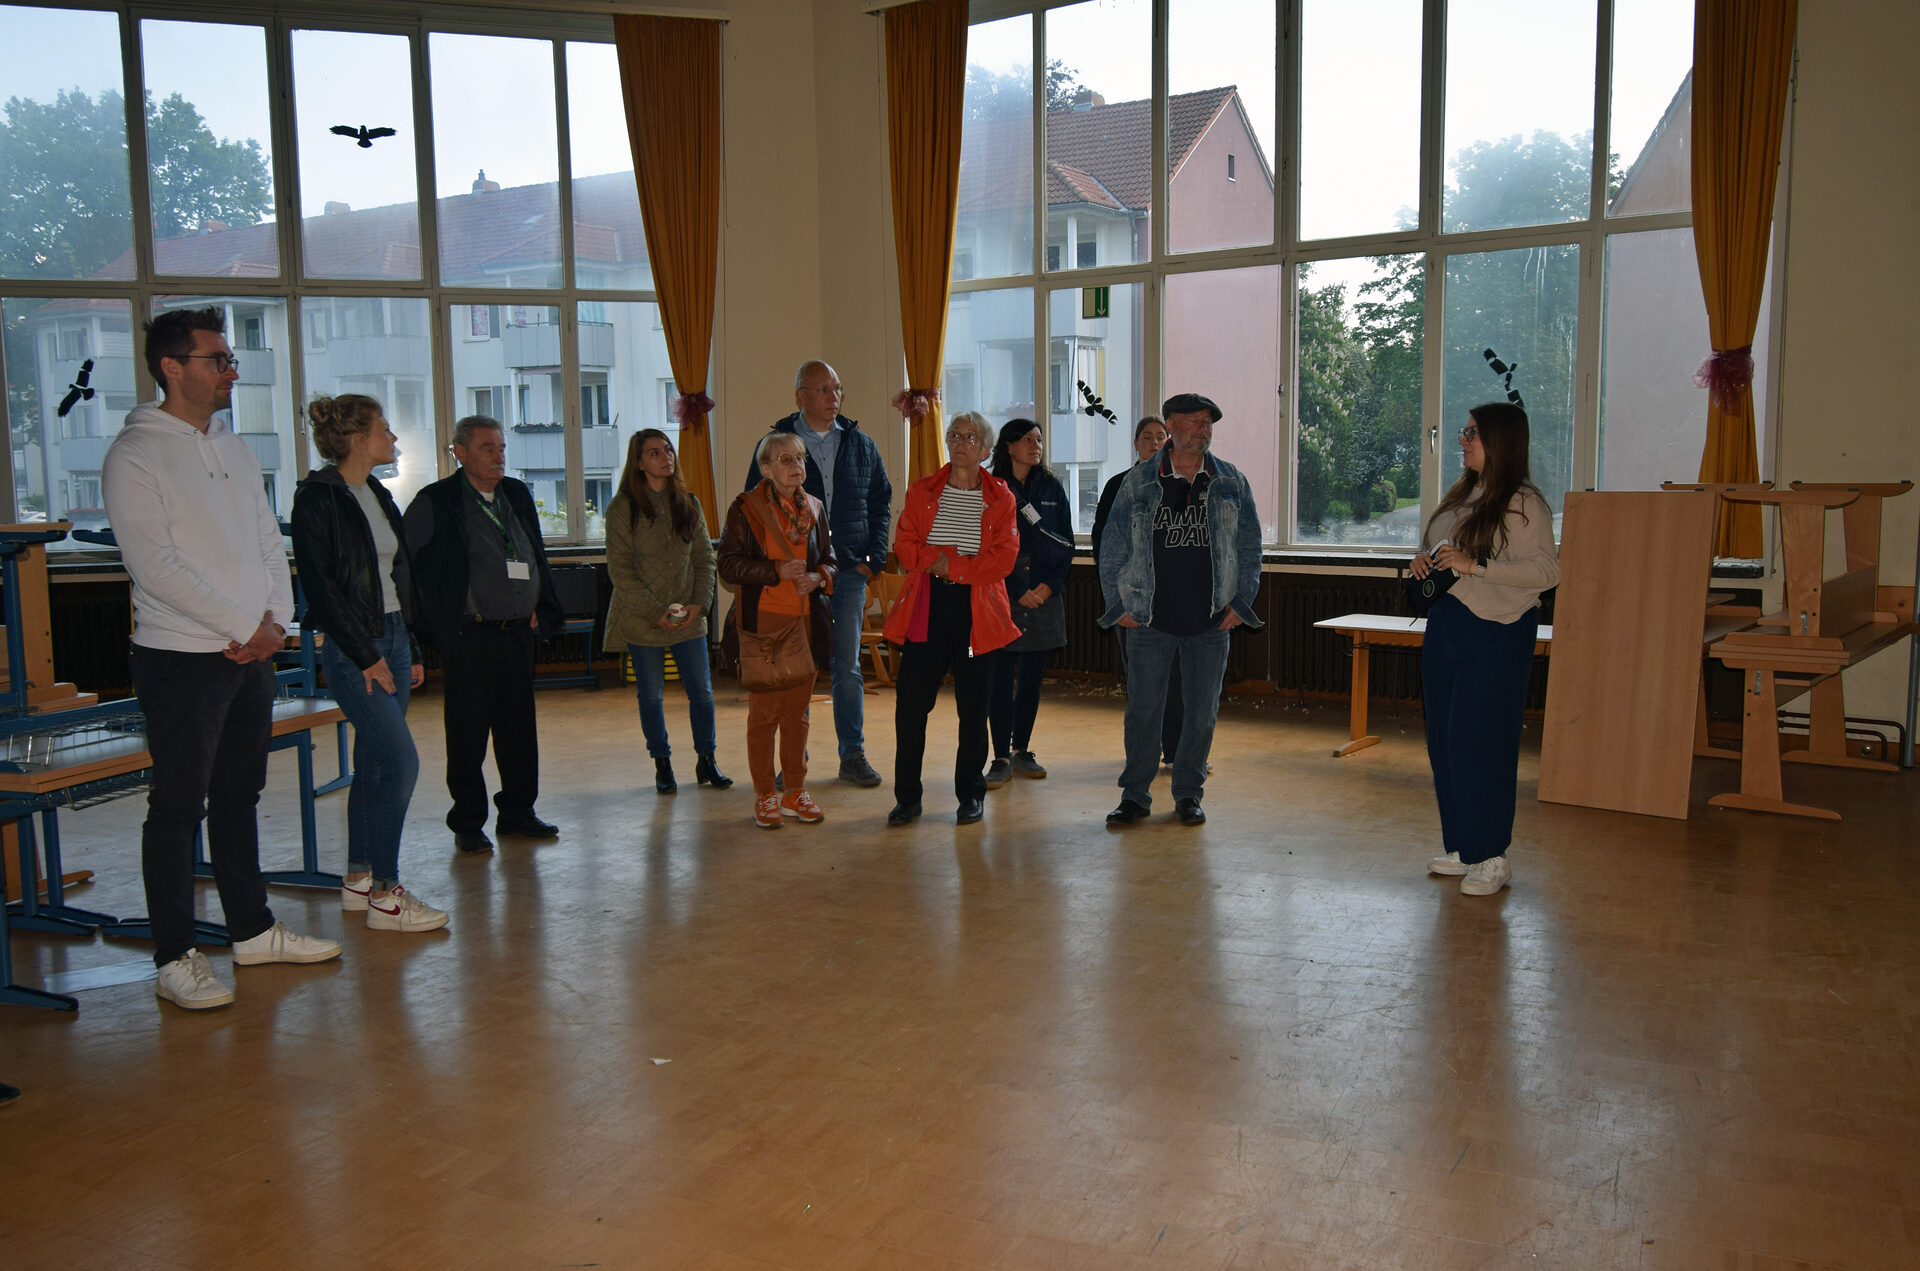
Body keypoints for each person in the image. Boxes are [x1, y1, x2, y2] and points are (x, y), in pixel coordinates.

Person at [102, 307, 341, 1010]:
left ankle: (252, 930)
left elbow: (268, 539)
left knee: (240, 796)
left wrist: (275, 624)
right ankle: (175, 955)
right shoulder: (135, 454)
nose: (232, 371)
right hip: (182, 656)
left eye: (231, 359)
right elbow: (155, 568)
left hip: (250, 651)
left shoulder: (232, 446)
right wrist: (246, 626)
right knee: (178, 806)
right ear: (172, 367)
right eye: (218, 360)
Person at [291, 394, 446, 933]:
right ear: (359, 439)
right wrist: (365, 656)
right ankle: (386, 892)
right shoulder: (317, 499)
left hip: (395, 636)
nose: (393, 438)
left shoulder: (375, 492)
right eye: (385, 428)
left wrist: (412, 648)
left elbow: (397, 577)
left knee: (376, 762)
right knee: (401, 762)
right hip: (357, 646)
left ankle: (359, 878)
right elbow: (321, 590)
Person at [1410, 402, 1560, 896]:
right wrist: (1422, 561)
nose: (1462, 440)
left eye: (1472, 433)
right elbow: (1442, 549)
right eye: (1465, 431)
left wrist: (1476, 566)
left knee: (1484, 743)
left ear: (1500, 440)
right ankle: (1464, 845)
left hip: (1498, 630)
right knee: (1446, 741)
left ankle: (1492, 855)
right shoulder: (1462, 494)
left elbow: (1547, 572)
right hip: (1449, 624)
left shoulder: (1523, 503)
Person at [1097, 392, 1264, 827]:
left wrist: (1241, 603)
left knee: (1201, 713)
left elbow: (1250, 546)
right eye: (1194, 420)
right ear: (1170, 425)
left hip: (1211, 619)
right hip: (1148, 618)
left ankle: (1189, 792)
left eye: (1208, 421)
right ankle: (1135, 795)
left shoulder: (1230, 480)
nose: (1203, 428)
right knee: (1143, 712)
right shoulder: (1138, 481)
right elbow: (1112, 545)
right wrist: (1118, 605)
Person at [404, 416, 564, 855]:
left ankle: (518, 812)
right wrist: (432, 626)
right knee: (468, 733)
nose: (498, 457)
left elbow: (534, 553)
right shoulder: (436, 500)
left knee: (518, 731)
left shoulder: (516, 493)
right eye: (487, 448)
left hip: (518, 635)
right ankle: (468, 821)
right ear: (460, 452)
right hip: (469, 635)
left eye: (501, 448)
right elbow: (408, 568)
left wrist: (540, 603)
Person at [742, 361, 891, 788]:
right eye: (823, 389)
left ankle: (853, 755)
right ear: (800, 396)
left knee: (847, 667)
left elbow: (881, 502)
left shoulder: (861, 444)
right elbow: (755, 507)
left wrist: (873, 558)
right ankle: (794, 762)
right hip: (795, 578)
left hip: (848, 573)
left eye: (837, 388)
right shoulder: (775, 444)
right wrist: (777, 567)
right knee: (794, 669)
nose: (833, 397)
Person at [882, 411, 1021, 826]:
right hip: (928, 605)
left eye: (970, 437)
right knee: (911, 706)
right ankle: (908, 798)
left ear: (986, 450)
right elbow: (904, 544)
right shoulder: (922, 490)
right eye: (955, 435)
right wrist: (941, 562)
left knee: (974, 710)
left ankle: (970, 795)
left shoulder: (1001, 498)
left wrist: (952, 566)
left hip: (977, 611)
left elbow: (1003, 560)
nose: (961, 442)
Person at [719, 432, 835, 829]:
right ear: (765, 468)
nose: (796, 465)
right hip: (764, 624)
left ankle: (794, 792)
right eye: (785, 459)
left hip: (806, 623)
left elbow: (831, 560)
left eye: (799, 458)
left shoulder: (815, 507)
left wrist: (819, 577)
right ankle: (765, 794)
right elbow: (727, 565)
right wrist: (774, 571)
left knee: (797, 715)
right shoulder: (745, 508)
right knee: (765, 716)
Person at [604, 429, 729, 796]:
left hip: (688, 617)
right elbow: (620, 570)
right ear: (639, 463)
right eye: (654, 453)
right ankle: (662, 763)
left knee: (702, 692)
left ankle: (707, 759)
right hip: (642, 618)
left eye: (668, 450)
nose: (665, 457)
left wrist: (699, 604)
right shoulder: (622, 507)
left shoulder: (688, 503)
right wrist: (655, 611)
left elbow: (705, 559)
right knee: (651, 696)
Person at [1090, 414, 1185, 767]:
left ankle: (1175, 751)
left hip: (1172, 599)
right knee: (1141, 680)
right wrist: (1116, 598)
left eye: (1161, 437)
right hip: (1130, 597)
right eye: (1147, 437)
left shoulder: (1180, 483)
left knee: (1177, 678)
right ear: (1135, 444)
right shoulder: (1118, 485)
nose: (1155, 443)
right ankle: (1144, 753)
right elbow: (1103, 542)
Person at [983, 418, 1072, 787]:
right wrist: (1017, 588)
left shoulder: (1052, 486)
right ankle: (1000, 756)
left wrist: (1049, 587)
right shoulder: (991, 487)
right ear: (1009, 446)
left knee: (1032, 679)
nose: (1036, 445)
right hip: (1003, 591)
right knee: (1000, 679)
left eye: (1039, 440)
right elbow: (985, 547)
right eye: (1028, 440)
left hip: (1045, 591)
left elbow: (1066, 542)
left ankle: (1021, 749)